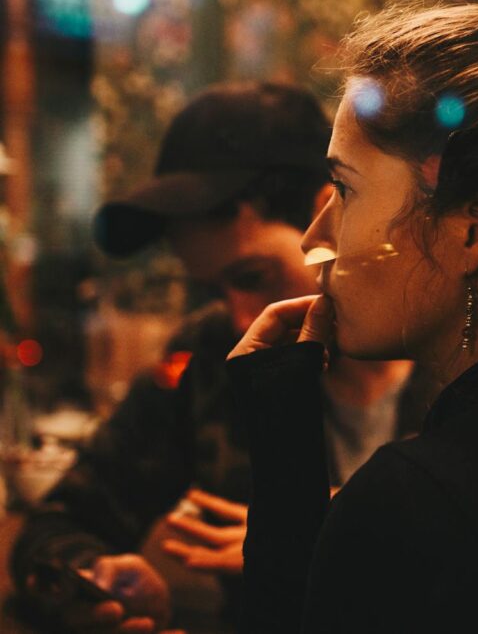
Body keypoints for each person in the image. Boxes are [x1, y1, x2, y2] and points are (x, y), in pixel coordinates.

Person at [11, 81, 427, 634]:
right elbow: (55, 527)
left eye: (251, 277)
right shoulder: (211, 353)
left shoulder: (451, 350)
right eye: (213, 289)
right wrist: (96, 582)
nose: (238, 316)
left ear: (330, 212)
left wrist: (338, 529)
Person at [226, 1, 478, 632]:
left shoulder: (416, 502)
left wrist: (285, 464)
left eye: (344, 190)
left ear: (471, 233)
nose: (315, 238)